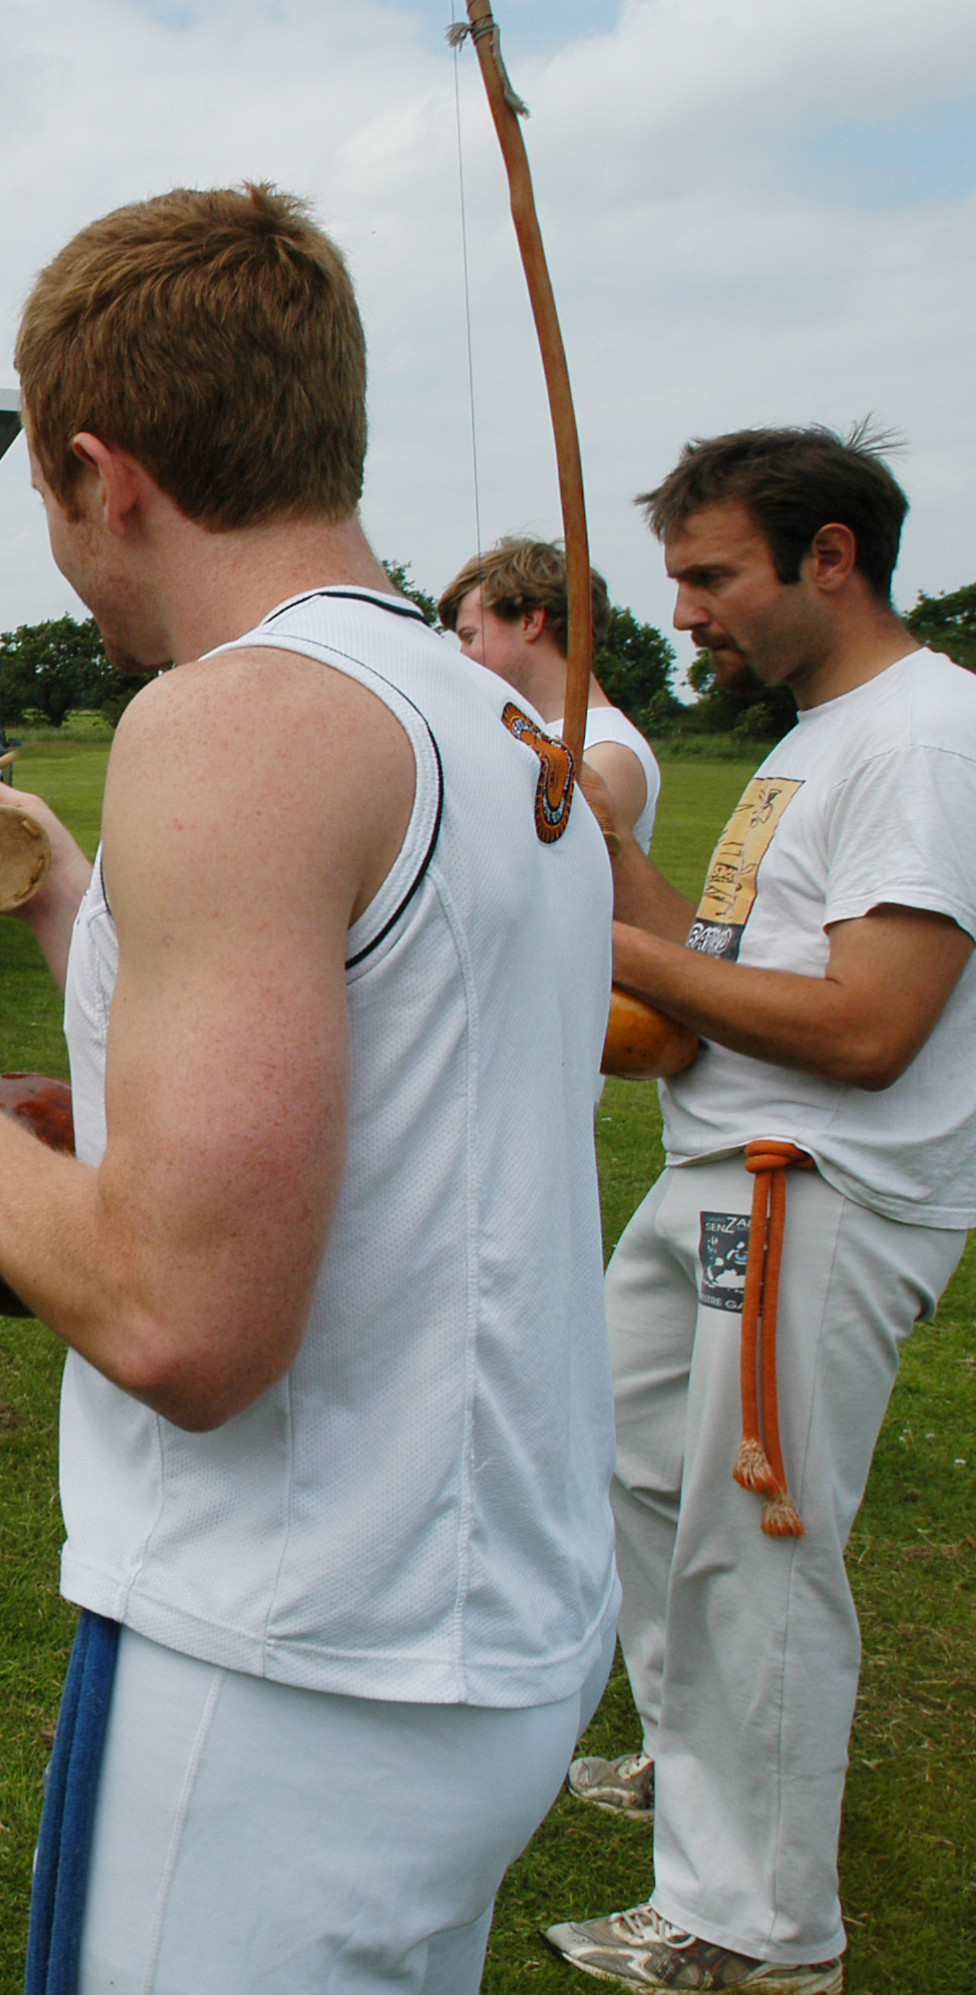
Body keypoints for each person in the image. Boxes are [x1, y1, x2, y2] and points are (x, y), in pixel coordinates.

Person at [0, 186, 617, 1993]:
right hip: (479, 1632)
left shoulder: (231, 717)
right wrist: (72, 898)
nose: (62, 534)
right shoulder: (484, 721)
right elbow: (394, 1091)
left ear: (108, 474)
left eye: (43, 490)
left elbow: (188, 1327)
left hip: (296, 1656)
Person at [538, 428, 976, 1995]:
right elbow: (736, 947)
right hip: (722, 1166)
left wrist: (628, 957)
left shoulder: (921, 738)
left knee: (757, 1538)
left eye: (713, 574)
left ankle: (759, 1924)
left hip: (814, 1190)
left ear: (833, 555)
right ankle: (692, 1763)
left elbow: (868, 1023)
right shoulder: (817, 733)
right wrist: (606, 861)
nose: (687, 611)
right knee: (630, 1462)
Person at [441, 536, 662, 855]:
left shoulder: (607, 753)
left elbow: (535, 870)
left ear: (530, 621)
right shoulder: (526, 734)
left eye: (470, 637)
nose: (463, 656)